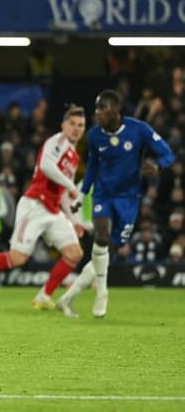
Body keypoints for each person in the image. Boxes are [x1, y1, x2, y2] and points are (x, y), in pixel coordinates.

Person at [0, 105, 88, 309]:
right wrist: (71, 186)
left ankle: (44, 296)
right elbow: (45, 166)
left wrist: (75, 220)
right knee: (17, 258)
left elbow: (63, 194)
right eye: (72, 124)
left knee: (74, 253)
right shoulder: (57, 141)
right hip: (35, 205)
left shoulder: (74, 156)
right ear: (63, 125)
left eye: (81, 125)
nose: (76, 129)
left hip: (53, 209)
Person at [56, 90, 174, 318]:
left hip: (129, 199)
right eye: (97, 108)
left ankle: (68, 298)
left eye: (103, 108)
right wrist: (81, 196)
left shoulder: (139, 130)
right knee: (101, 238)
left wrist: (157, 166)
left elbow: (167, 154)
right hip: (103, 196)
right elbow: (92, 168)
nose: (98, 113)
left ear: (116, 110)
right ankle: (102, 293)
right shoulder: (93, 136)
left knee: (105, 253)